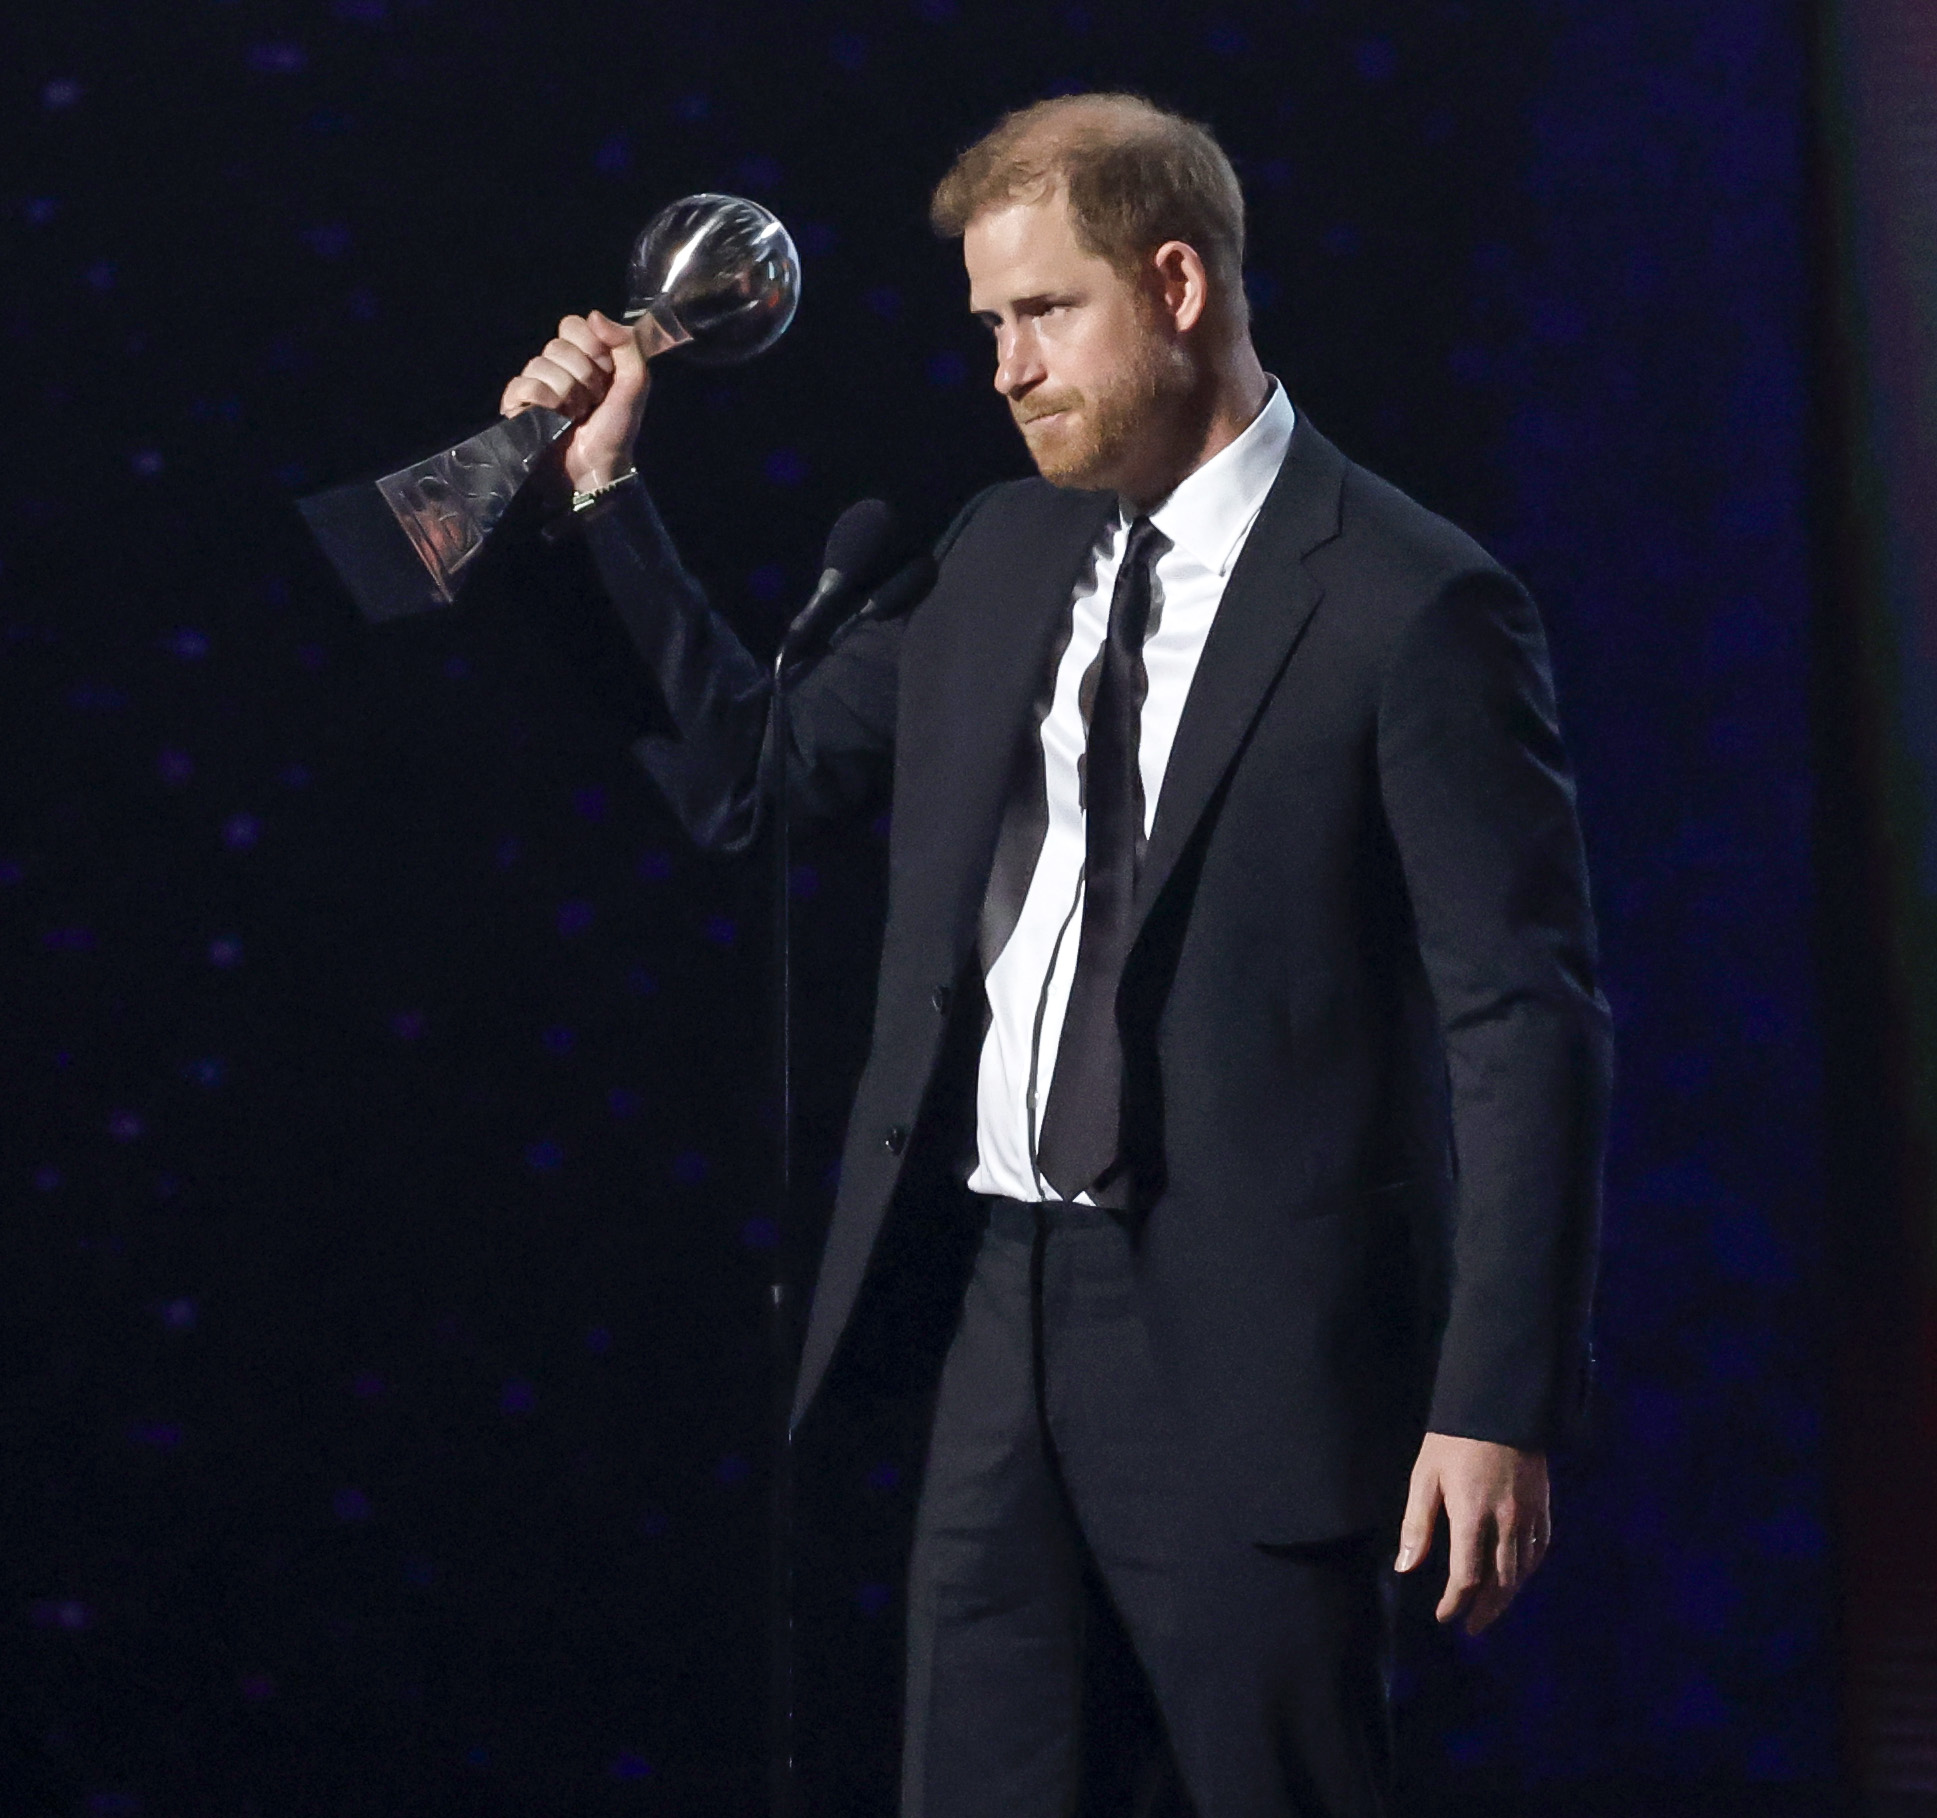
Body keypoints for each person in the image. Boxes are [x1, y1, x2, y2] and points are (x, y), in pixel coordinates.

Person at [501, 93, 1609, 1818]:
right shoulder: (1002, 549)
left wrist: (1494, 1397)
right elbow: (757, 769)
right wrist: (605, 492)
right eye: (987, 325)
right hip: (995, 1314)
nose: (1003, 366)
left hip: (1251, 1350)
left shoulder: (1409, 601)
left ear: (1173, 283)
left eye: (1040, 313)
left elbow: (1521, 1018)